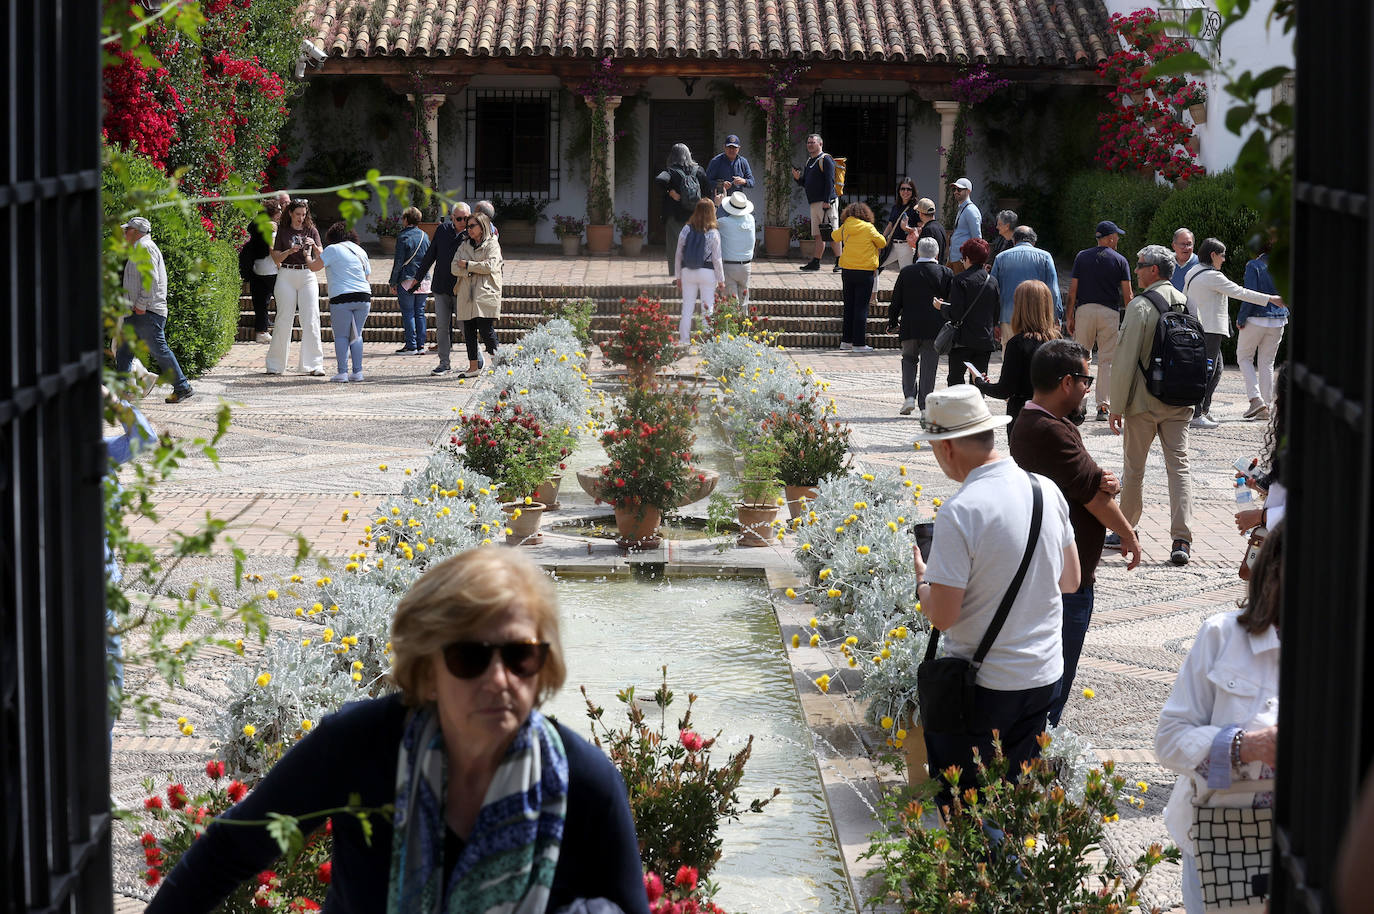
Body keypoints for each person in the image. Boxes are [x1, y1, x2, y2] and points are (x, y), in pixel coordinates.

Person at [144, 548, 650, 914]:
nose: (500, 680)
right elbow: (228, 851)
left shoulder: (585, 784)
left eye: (520, 656)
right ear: (427, 670)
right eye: (470, 656)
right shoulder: (359, 745)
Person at [911, 384, 1079, 801]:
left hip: (986, 689)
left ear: (947, 448)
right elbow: (1070, 580)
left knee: (971, 807)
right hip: (1043, 675)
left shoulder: (961, 510)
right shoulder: (1045, 489)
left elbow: (943, 616)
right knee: (1013, 800)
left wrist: (922, 582)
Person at [1010, 340, 1142, 727]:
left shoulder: (1039, 421)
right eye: (1086, 379)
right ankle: (1035, 764)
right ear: (1067, 382)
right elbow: (1093, 497)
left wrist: (1106, 483)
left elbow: (1095, 483)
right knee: (1053, 686)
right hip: (1066, 582)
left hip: (1053, 571)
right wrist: (1129, 534)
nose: (1089, 387)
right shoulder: (1050, 430)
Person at [1155, 521, 1281, 914]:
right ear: (1275, 573)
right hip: (1225, 841)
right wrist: (1246, 746)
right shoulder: (1223, 636)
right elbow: (1170, 740)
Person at [1109, 244, 1196, 566]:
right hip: (1179, 400)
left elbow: (1125, 360)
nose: (1136, 269)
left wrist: (1115, 405)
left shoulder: (1140, 306)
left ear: (1154, 270)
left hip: (1144, 403)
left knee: (1134, 469)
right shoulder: (1185, 302)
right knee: (1180, 469)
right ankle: (1182, 539)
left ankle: (1125, 529)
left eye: (1140, 264)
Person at [1183, 237, 1286, 429]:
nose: (1224, 260)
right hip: (1209, 329)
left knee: (1217, 370)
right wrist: (1271, 298)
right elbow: (1240, 292)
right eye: (1222, 256)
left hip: (1199, 327)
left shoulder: (1193, 271)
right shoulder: (1213, 276)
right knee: (1207, 372)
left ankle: (1204, 409)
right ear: (1213, 255)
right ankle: (1197, 413)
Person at [117, 216, 194, 403]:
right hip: (137, 312)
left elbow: (150, 280)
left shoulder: (145, 248)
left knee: (159, 350)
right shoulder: (139, 248)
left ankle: (182, 386)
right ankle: (122, 391)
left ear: (136, 232)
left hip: (146, 312)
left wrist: (141, 306)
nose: (124, 233)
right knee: (124, 351)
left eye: (127, 230)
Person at [1066, 220, 1134, 422]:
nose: (1118, 239)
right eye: (1117, 236)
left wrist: (1070, 316)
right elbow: (1128, 295)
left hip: (1085, 310)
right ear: (1110, 238)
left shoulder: (1081, 257)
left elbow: (1072, 291)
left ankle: (1079, 404)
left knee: (1081, 359)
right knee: (1107, 361)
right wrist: (1131, 320)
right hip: (1109, 313)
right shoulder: (1120, 260)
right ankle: (1103, 406)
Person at [972, 279, 1059, 429]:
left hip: (1023, 416)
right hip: (1054, 415)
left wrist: (980, 383)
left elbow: (1004, 390)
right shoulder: (1058, 343)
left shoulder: (1018, 344)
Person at [887, 236, 950, 415]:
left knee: (908, 359)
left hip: (910, 325)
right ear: (937, 253)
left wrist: (892, 321)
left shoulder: (907, 272)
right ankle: (924, 405)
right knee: (929, 366)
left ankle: (908, 397)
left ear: (917, 252)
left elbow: (896, 300)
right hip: (934, 328)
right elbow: (950, 302)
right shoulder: (945, 273)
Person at [265, 198, 326, 377]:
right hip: (286, 274)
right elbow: (276, 259)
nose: (301, 218)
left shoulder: (311, 230)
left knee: (312, 317)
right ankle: (275, 365)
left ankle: (313, 364)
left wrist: (314, 246)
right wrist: (289, 251)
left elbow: (321, 255)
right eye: (298, 214)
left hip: (307, 275)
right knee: (284, 318)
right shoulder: (283, 232)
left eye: (303, 214)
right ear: (290, 213)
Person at [414, 203, 471, 376]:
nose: (463, 222)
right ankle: (444, 363)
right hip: (440, 286)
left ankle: (477, 360)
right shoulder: (442, 230)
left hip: (461, 288)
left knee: (465, 326)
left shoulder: (472, 234)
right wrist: (418, 277)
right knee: (442, 327)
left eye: (466, 218)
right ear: (452, 217)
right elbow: (431, 254)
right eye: (459, 218)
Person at [1236, 240, 1287, 420]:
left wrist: (1241, 318)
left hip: (1256, 318)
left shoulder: (1253, 265)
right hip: (1279, 318)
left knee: (1244, 357)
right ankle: (1266, 404)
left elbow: (1249, 294)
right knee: (1267, 363)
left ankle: (1256, 400)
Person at [320, 222, 372, 382]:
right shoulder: (360, 250)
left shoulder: (332, 249)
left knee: (342, 336)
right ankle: (358, 372)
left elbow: (314, 266)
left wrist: (308, 255)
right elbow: (367, 276)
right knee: (356, 335)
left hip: (341, 296)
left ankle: (342, 372)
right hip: (363, 296)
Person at [944, 238, 1000, 388]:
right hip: (984, 339)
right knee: (979, 382)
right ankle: (977, 410)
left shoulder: (960, 280)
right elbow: (996, 312)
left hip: (962, 340)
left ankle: (958, 411)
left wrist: (941, 307)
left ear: (968, 258)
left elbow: (956, 313)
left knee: (955, 381)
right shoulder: (992, 281)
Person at [989, 225, 1061, 340]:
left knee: (1009, 355)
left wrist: (993, 322)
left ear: (1014, 240)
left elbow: (992, 291)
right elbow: (1053, 291)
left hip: (1008, 318)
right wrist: (1056, 317)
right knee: (1036, 354)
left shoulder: (1000, 258)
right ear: (1034, 241)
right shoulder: (1045, 257)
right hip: (1038, 317)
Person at [452, 212, 502, 379]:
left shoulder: (492, 244)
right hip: (466, 292)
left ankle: (498, 365)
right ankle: (473, 367)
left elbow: (490, 266)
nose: (469, 229)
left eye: (472, 226)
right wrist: (472, 269)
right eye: (468, 226)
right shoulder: (464, 245)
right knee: (469, 330)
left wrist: (468, 265)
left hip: (485, 292)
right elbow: (453, 267)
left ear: (482, 226)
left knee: (486, 329)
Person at [834, 201, 886, 354]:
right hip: (865, 271)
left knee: (849, 306)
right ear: (866, 214)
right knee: (861, 308)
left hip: (848, 271)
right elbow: (882, 242)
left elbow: (834, 236)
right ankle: (858, 343)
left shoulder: (845, 227)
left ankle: (846, 341)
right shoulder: (869, 228)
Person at [674, 198, 725, 346]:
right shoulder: (714, 232)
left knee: (687, 308)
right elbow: (717, 258)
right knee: (707, 308)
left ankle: (684, 340)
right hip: (707, 272)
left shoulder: (686, 229)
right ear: (712, 212)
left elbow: (678, 254)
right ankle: (706, 341)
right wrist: (721, 279)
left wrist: (678, 276)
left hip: (687, 271)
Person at [655, 143, 710, 277]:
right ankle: (694, 272)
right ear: (688, 154)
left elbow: (659, 180)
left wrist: (670, 191)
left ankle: (676, 274)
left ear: (672, 156)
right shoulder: (699, 170)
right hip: (695, 215)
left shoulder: (671, 171)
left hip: (675, 216)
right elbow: (707, 192)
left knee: (675, 245)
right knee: (695, 243)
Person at [792, 133, 842, 272]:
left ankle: (840, 261)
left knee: (832, 232)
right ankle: (816, 262)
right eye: (808, 142)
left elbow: (830, 181)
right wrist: (797, 178)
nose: (809, 145)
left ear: (820, 144)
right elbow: (806, 183)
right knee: (818, 234)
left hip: (826, 203)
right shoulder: (809, 161)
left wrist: (827, 200)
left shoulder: (826, 159)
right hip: (814, 203)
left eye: (812, 142)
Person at [238, 198, 281, 343]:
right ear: (273, 213)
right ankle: (280, 329)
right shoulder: (271, 226)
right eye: (279, 211)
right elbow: (272, 248)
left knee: (260, 302)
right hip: (270, 268)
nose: (281, 213)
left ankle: (261, 331)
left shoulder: (256, 224)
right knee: (281, 300)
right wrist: (281, 264)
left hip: (256, 267)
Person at [390, 207, 432, 355]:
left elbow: (399, 262)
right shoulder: (425, 236)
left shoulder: (403, 237)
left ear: (406, 219)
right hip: (423, 279)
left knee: (408, 313)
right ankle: (421, 345)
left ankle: (411, 345)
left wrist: (393, 282)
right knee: (420, 312)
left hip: (407, 279)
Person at [876, 177, 922, 276]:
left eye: (909, 189)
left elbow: (921, 227)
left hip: (906, 246)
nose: (905, 191)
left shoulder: (915, 209)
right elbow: (890, 225)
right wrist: (882, 239)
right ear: (899, 191)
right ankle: (873, 292)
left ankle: (907, 292)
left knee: (906, 275)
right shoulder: (896, 207)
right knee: (876, 266)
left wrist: (908, 229)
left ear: (913, 192)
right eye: (903, 189)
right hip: (892, 245)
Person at [717, 191, 756, 306]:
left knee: (731, 304)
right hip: (746, 266)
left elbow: (710, 225)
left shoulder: (723, 222)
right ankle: (744, 324)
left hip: (729, 266)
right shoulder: (750, 219)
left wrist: (717, 205)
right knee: (744, 303)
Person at [946, 177, 982, 275]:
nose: (956, 192)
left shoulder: (970, 210)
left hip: (963, 260)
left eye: (959, 189)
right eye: (955, 189)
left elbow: (977, 238)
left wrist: (973, 261)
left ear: (968, 191)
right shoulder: (963, 208)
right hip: (955, 258)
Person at [905, 197, 948, 265]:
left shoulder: (928, 229)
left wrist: (916, 241)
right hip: (938, 268)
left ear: (921, 214)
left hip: (928, 271)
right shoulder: (940, 227)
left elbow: (926, 254)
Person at [1169, 227, 1200, 292]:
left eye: (1189, 244)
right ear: (1174, 246)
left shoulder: (1201, 264)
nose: (1186, 248)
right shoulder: (1166, 263)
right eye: (1182, 244)